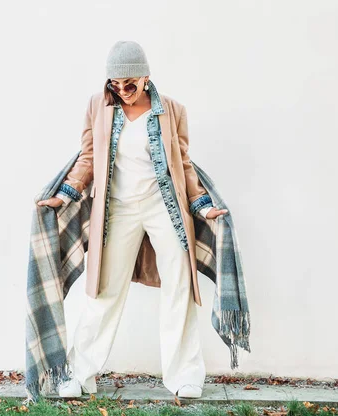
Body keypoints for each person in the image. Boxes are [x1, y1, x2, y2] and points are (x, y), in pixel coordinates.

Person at [36, 40, 228, 399]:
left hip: (163, 207)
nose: (122, 91)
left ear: (146, 77)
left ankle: (185, 376)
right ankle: (80, 374)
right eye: (115, 84)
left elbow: (182, 164)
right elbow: (89, 157)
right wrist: (67, 193)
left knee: (179, 286)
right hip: (117, 210)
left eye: (130, 84)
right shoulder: (98, 106)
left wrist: (201, 204)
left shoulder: (172, 110)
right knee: (104, 289)